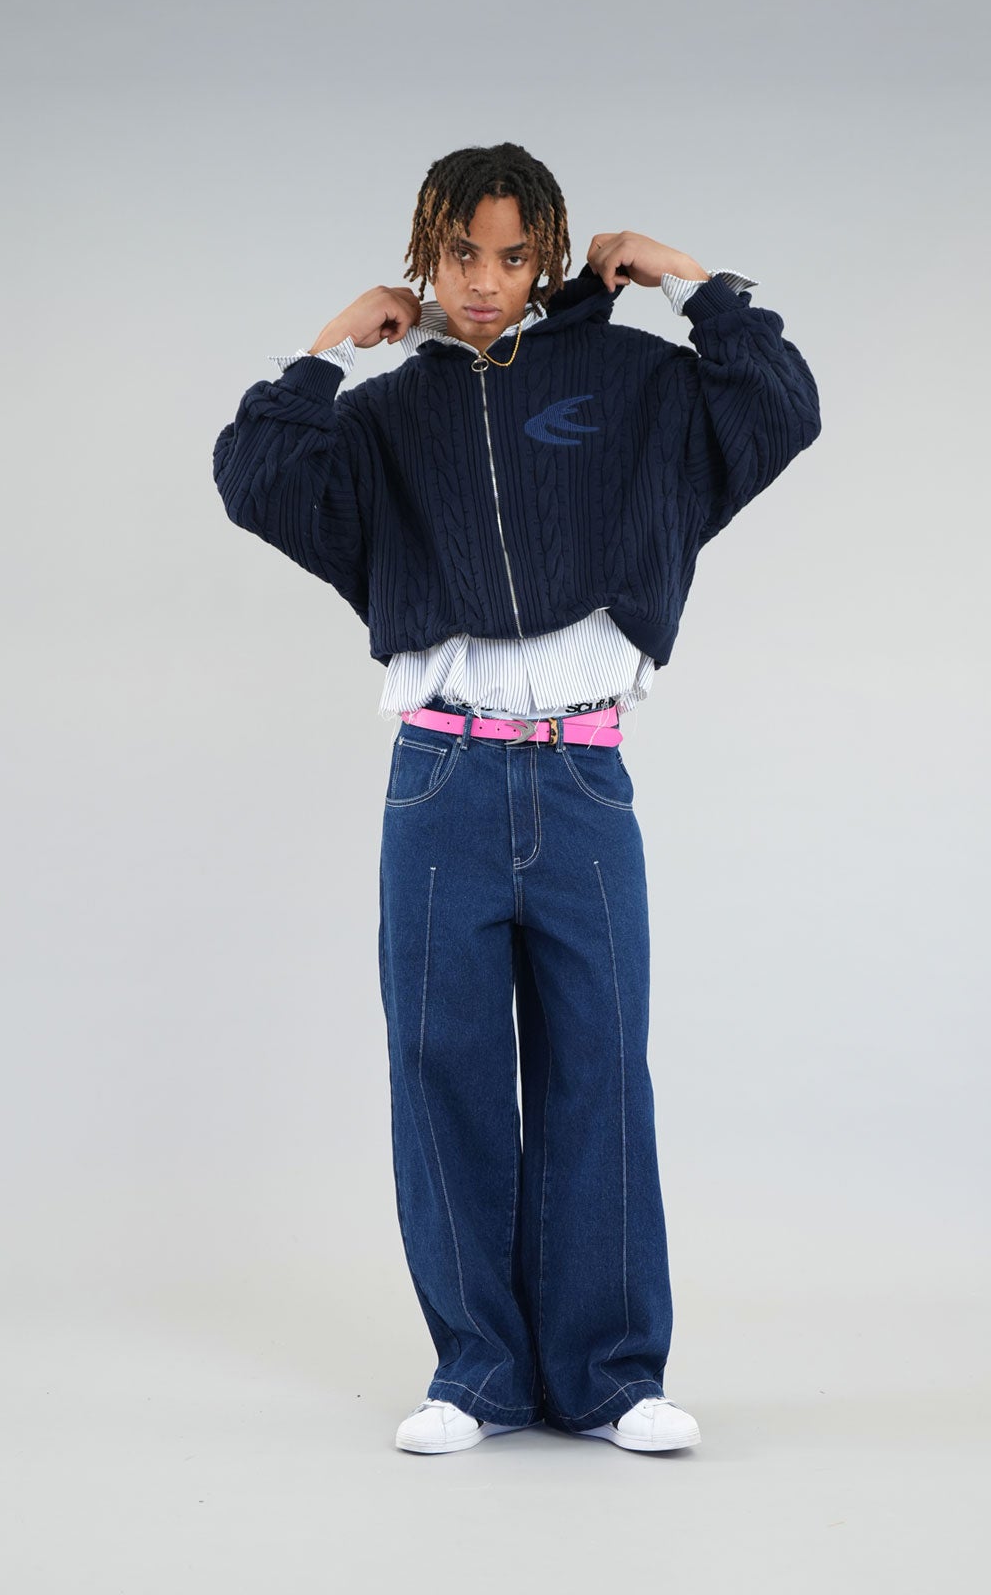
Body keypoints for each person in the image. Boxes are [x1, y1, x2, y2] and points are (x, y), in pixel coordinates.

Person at [212, 141, 821, 1455]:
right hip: (440, 780)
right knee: (447, 1072)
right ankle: (478, 1373)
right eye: (458, 254)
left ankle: (609, 1378)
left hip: (585, 777)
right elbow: (253, 478)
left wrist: (685, 280)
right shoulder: (386, 418)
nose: (483, 282)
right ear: (423, 256)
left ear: (545, 257)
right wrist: (328, 348)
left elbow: (779, 405)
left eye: (509, 256)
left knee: (601, 1068)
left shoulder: (630, 383)